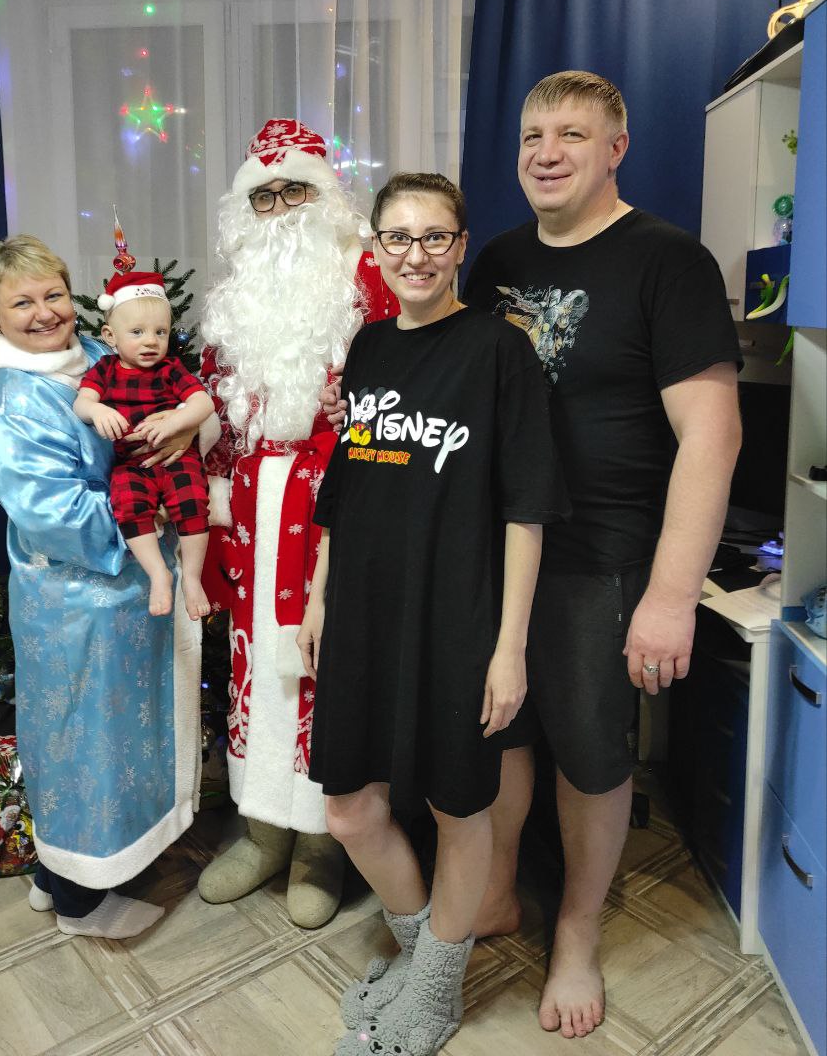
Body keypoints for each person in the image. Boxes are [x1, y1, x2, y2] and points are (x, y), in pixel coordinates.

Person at [462, 71, 743, 1039]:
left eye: (572, 134)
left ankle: (577, 929)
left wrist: (670, 595)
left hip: (604, 555)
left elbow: (713, 436)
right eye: (532, 134)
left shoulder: (668, 260)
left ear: (616, 148)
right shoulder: (496, 260)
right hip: (501, 549)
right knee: (499, 732)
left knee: (589, 752)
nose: (546, 152)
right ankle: (500, 889)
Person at [298, 172, 568, 1056]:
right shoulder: (368, 348)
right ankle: (421, 952)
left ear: (460, 246)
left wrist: (509, 647)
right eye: (399, 237)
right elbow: (344, 490)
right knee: (351, 809)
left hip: (457, 614)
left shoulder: (498, 350)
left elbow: (526, 509)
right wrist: (318, 596)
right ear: (376, 248)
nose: (416, 254)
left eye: (434, 236)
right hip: (362, 612)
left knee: (459, 808)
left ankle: (437, 991)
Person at [196, 118, 399, 929]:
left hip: (336, 505)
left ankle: (321, 843)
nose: (281, 210)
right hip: (252, 509)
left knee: (325, 668)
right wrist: (214, 516)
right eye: (265, 196)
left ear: (327, 197)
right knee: (256, 671)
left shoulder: (369, 282)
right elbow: (217, 416)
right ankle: (262, 832)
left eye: (296, 192)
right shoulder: (237, 295)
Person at [0, 235, 202, 939]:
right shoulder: (13, 404)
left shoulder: (97, 355)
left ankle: (59, 876)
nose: (44, 313)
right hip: (75, 605)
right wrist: (153, 511)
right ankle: (80, 899)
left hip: (128, 598)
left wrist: (179, 437)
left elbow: (162, 412)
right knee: (79, 741)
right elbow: (53, 513)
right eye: (22, 303)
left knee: (113, 740)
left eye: (54, 295)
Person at [74, 269, 215, 621]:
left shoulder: (170, 370)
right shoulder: (105, 370)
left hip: (176, 458)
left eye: (160, 332)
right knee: (128, 504)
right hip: (131, 463)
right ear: (110, 335)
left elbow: (203, 403)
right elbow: (81, 403)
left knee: (193, 501)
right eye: (137, 332)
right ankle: (158, 574)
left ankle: (192, 577)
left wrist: (175, 422)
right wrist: (96, 409)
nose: (150, 341)